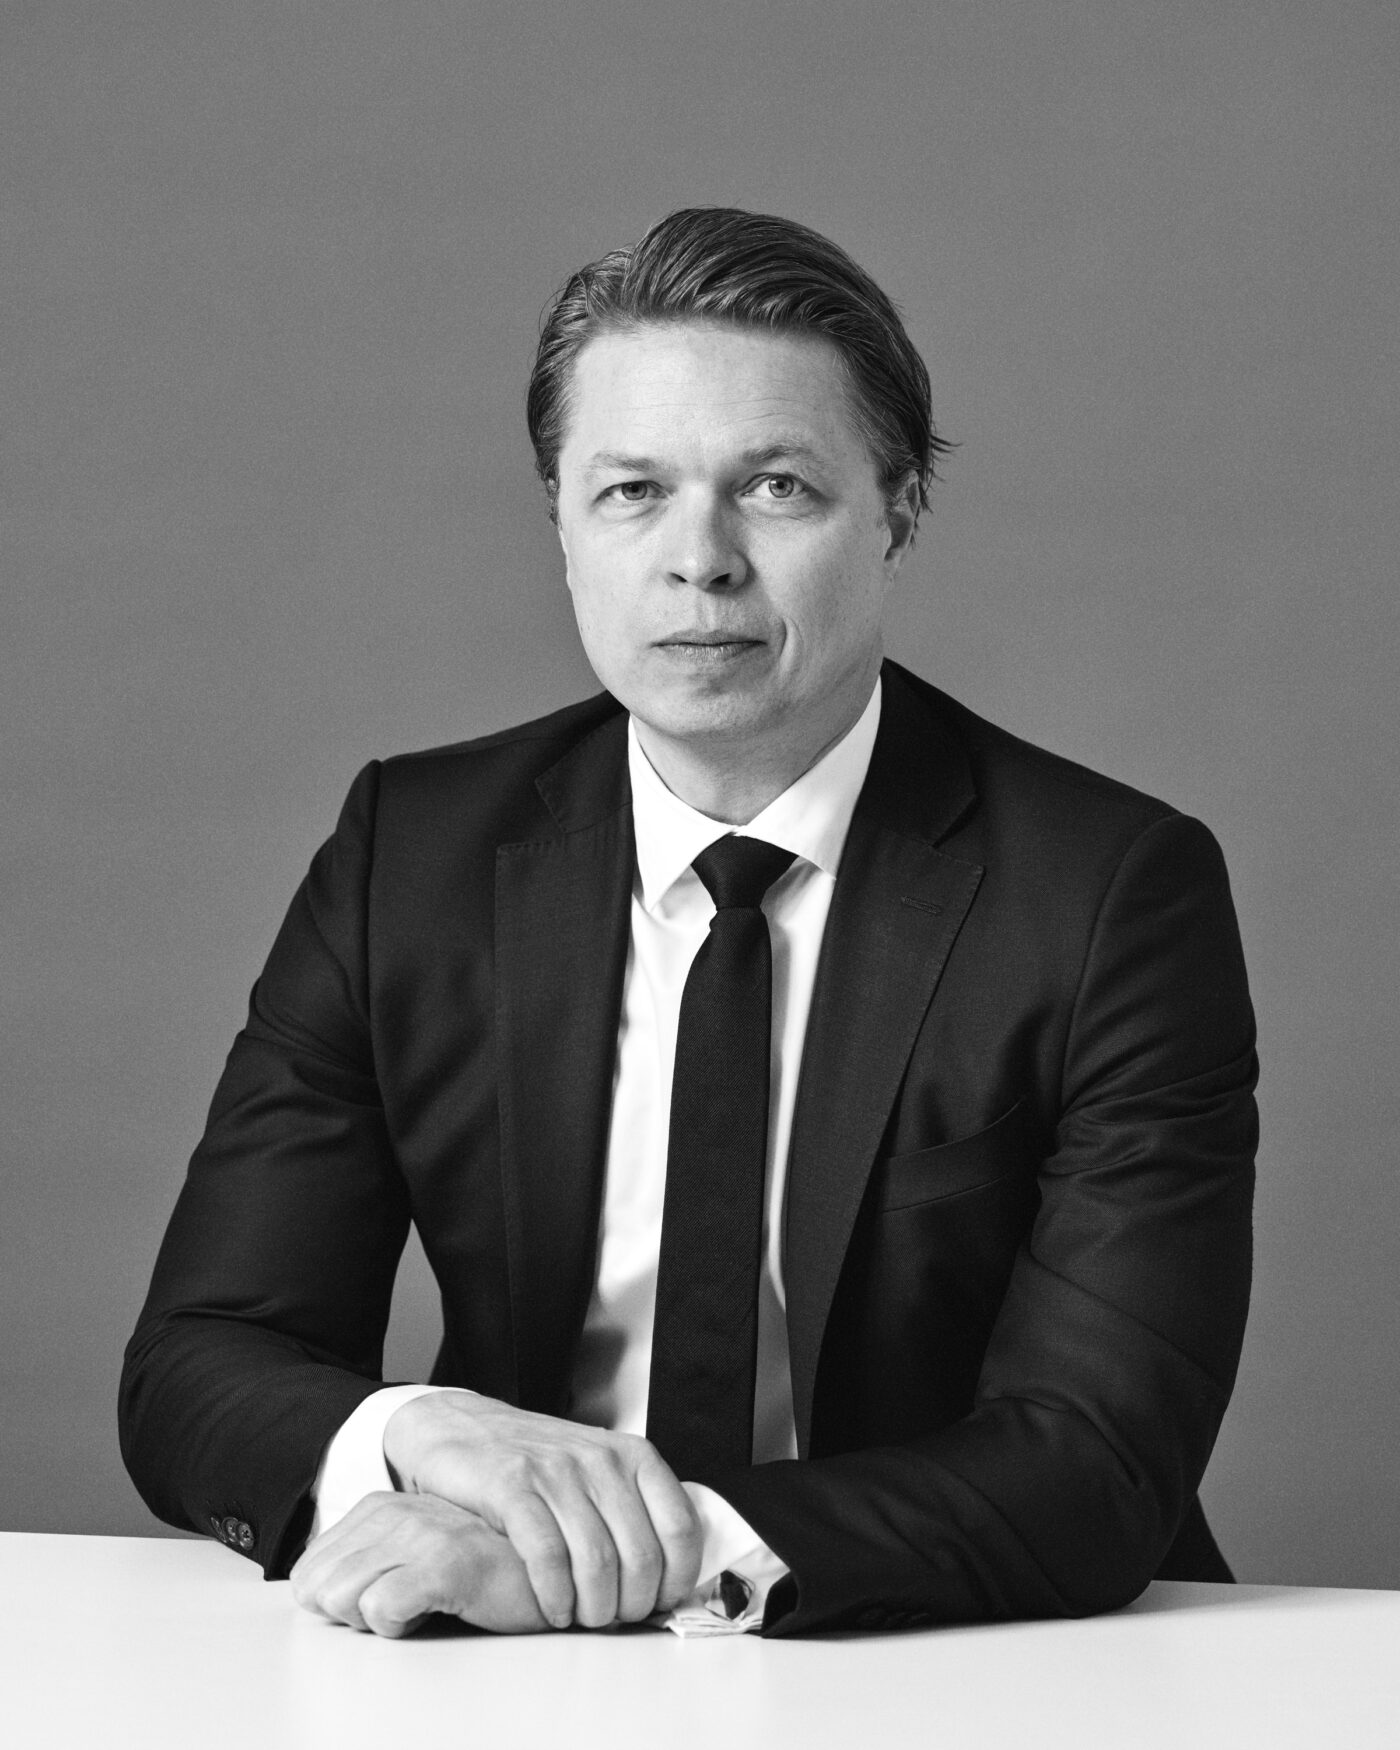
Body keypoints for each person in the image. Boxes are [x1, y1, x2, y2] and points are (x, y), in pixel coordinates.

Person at [120, 207, 1257, 1640]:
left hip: (950, 1658)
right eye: (632, 491)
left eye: (776, 486)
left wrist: (629, 1560)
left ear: (899, 510)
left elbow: (1096, 1461)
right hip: (506, 1680)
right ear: (559, 521)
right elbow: (201, 1360)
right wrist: (418, 1437)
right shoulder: (408, 855)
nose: (699, 559)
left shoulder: (1110, 894)